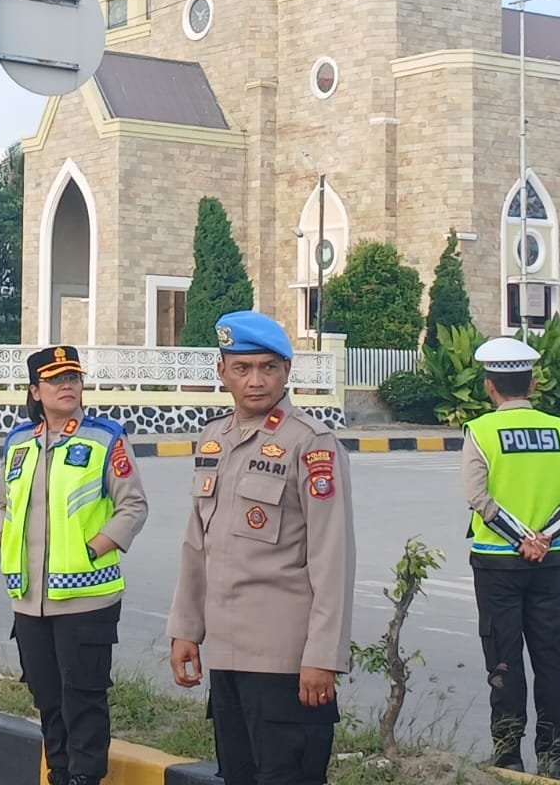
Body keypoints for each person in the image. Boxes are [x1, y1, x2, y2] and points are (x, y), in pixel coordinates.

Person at [167, 311, 356, 785]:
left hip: (285, 659)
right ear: (222, 372)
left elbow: (332, 557)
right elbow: (197, 545)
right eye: (243, 368)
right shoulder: (214, 439)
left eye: (268, 367)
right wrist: (185, 630)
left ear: (287, 371)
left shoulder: (310, 443)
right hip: (227, 657)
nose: (256, 380)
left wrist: (323, 656)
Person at [0, 345, 148, 785]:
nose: (67, 386)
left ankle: (85, 777)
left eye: (73, 378)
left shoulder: (104, 438)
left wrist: (95, 547)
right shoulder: (18, 442)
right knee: (46, 697)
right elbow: (1, 502)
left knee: (83, 698)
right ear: (35, 391)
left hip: (87, 597)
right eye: (56, 380)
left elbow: (133, 505)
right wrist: (4, 535)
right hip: (30, 600)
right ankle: (59, 774)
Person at [461, 336, 560, 778]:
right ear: (533, 384)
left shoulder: (481, 431)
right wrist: (543, 538)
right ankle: (553, 758)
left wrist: (521, 538)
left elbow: (477, 497)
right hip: (549, 564)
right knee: (549, 660)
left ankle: (508, 754)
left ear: (489, 386)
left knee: (504, 659)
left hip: (496, 562)